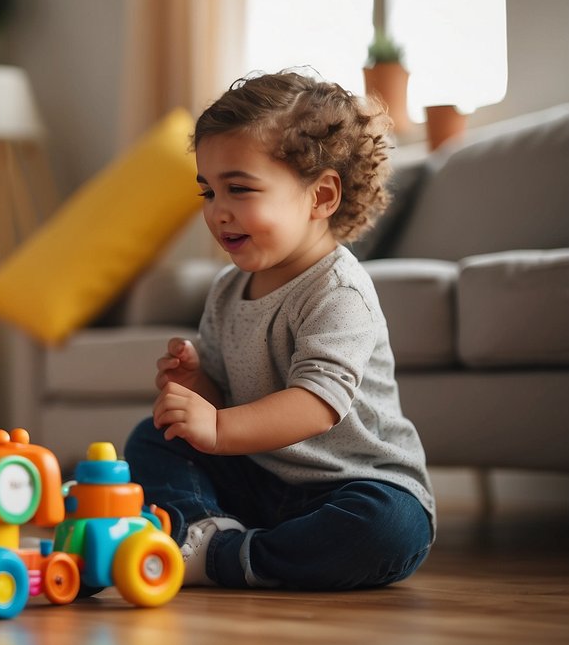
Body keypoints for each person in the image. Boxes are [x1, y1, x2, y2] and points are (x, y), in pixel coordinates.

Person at [124, 70, 435, 590]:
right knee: (153, 437)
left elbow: (316, 404)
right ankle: (215, 534)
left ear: (322, 196)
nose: (218, 212)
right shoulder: (228, 288)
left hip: (351, 485)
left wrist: (219, 431)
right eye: (208, 191)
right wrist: (199, 389)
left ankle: (222, 553)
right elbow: (224, 404)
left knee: (389, 528)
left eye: (240, 189)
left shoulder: (339, 292)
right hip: (261, 479)